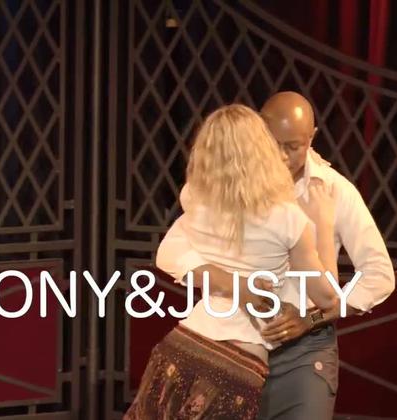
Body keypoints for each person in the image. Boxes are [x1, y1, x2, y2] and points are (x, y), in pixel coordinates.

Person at [156, 92, 396, 419]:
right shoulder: (229, 184)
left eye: (293, 146)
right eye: (273, 143)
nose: (282, 156)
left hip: (304, 353)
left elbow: (378, 274)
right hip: (235, 348)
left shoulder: (334, 191)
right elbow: (174, 250)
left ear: (311, 137)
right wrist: (236, 286)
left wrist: (311, 319)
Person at [125, 104, 340, 419]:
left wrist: (234, 284)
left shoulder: (195, 199)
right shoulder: (289, 219)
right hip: (233, 368)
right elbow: (328, 298)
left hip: (182, 345)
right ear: (263, 149)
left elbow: (168, 255)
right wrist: (324, 224)